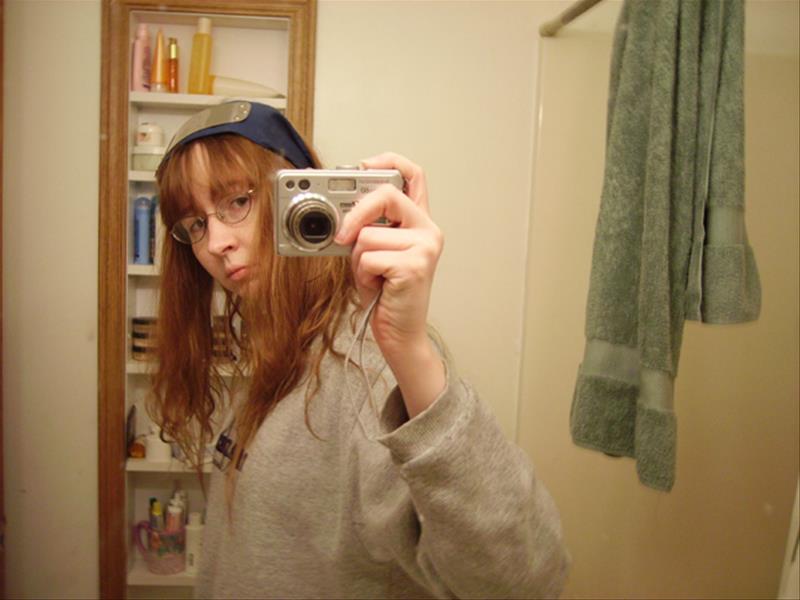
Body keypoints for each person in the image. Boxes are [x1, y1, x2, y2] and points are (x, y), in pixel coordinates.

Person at [149, 100, 569, 599]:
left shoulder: (367, 361)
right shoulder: (273, 342)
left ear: (301, 195)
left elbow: (526, 578)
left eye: (237, 201)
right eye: (195, 224)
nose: (216, 241)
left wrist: (410, 353)